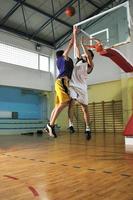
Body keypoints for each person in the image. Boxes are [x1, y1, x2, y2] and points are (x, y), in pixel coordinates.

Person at [68, 26, 94, 140]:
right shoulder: (79, 59)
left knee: (85, 109)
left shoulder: (90, 65)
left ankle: (88, 128)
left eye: (86, 54)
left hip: (82, 88)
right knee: (71, 103)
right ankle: (70, 125)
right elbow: (76, 46)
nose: (84, 54)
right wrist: (74, 33)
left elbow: (88, 55)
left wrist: (84, 46)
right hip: (73, 85)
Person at [45, 37, 74, 137]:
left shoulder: (61, 62)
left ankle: (48, 124)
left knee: (58, 105)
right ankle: (51, 125)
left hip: (60, 82)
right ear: (62, 55)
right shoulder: (63, 58)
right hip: (62, 81)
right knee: (65, 102)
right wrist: (74, 35)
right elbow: (70, 45)